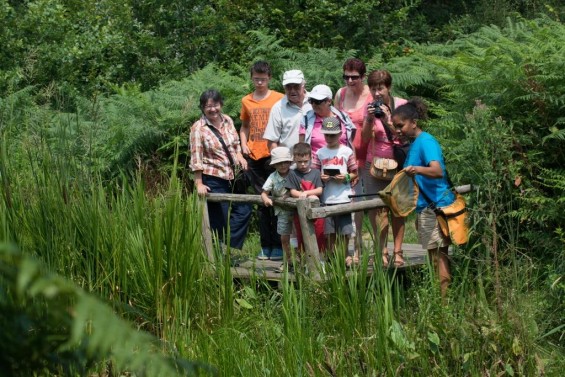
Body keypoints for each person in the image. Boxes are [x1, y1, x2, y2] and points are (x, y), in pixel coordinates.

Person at [392, 98, 455, 298]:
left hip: (435, 206)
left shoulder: (426, 141)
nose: (398, 130)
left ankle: (444, 305)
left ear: (413, 122)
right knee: (434, 257)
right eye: (395, 126)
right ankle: (440, 300)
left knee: (438, 258)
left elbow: (437, 170)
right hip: (425, 208)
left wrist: (416, 169)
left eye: (400, 125)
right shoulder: (415, 144)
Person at [190, 89, 251, 250]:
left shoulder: (228, 120)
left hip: (233, 175)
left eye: (215, 105)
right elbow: (196, 157)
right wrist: (198, 183)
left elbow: (236, 143)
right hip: (213, 178)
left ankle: (229, 250)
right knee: (220, 219)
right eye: (208, 106)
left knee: (244, 210)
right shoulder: (198, 128)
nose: (212, 109)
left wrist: (239, 155)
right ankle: (218, 254)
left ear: (221, 104)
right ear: (202, 108)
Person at [361, 70, 408, 267]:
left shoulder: (402, 105)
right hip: (375, 166)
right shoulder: (369, 106)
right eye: (373, 89)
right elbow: (364, 139)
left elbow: (407, 136)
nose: (377, 93)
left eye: (380, 88)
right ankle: (382, 250)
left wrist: (389, 121)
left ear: (388, 87)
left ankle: (398, 250)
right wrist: (370, 119)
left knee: (398, 210)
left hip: (398, 165)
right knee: (377, 210)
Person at [240, 61, 285, 260]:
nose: (260, 82)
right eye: (256, 79)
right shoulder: (246, 101)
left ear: (269, 79)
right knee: (262, 202)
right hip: (254, 157)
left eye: (263, 79)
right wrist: (243, 145)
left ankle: (279, 245)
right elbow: (244, 126)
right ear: (251, 78)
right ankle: (266, 246)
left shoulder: (279, 98)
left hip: (273, 156)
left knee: (277, 201)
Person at [334, 58, 373, 261]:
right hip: (346, 156)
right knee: (350, 200)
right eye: (346, 77)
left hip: (368, 154)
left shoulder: (370, 95)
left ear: (363, 77)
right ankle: (349, 246)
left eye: (354, 77)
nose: (350, 81)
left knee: (363, 202)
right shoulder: (340, 94)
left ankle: (359, 247)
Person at [312, 117, 358, 267]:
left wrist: (345, 178)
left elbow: (354, 172)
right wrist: (322, 177)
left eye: (332, 135)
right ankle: (332, 256)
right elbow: (313, 173)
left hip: (344, 197)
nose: (329, 138)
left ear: (340, 134)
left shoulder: (346, 151)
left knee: (345, 231)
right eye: (326, 135)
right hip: (327, 198)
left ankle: (344, 255)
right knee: (329, 231)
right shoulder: (320, 153)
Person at [285, 142, 325, 253]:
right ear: (294, 159)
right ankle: (304, 262)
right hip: (300, 212)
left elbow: (320, 190)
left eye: (305, 161)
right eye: (299, 162)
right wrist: (303, 195)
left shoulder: (316, 172)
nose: (303, 164)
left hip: (317, 212)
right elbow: (292, 191)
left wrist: (306, 193)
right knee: (301, 236)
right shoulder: (292, 173)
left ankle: (321, 260)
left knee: (319, 235)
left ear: (310, 158)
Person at [260, 147, 295, 268]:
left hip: (296, 211)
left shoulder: (294, 173)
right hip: (282, 211)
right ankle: (288, 260)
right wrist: (266, 199)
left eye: (286, 162)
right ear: (274, 165)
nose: (283, 165)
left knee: (298, 237)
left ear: (290, 162)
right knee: (284, 237)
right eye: (279, 163)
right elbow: (264, 192)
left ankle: (300, 260)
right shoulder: (273, 177)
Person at [299, 84, 356, 155]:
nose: (314, 104)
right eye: (312, 101)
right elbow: (301, 148)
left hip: (342, 163)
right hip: (317, 164)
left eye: (317, 101)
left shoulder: (343, 118)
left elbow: (350, 143)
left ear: (329, 101)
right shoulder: (306, 120)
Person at [263, 69, 312, 152]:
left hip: (316, 162)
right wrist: (281, 161)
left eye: (296, 86)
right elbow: (271, 142)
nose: (292, 90)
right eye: (288, 87)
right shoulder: (278, 108)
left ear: (304, 85)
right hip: (289, 163)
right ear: (284, 87)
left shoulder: (315, 102)